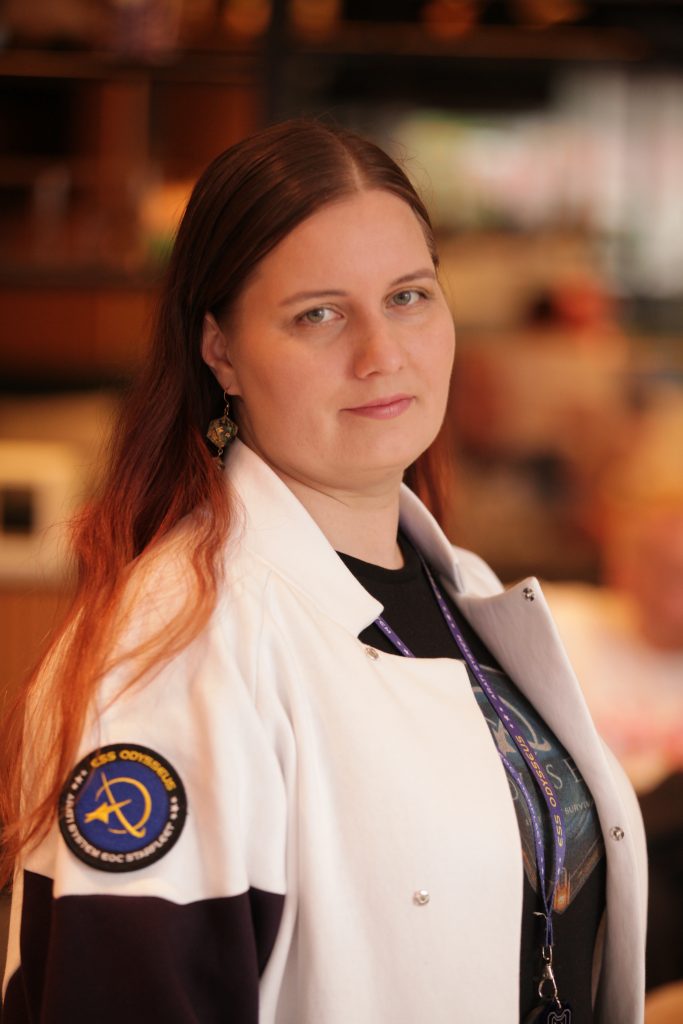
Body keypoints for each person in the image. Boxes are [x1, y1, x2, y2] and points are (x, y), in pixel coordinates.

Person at [0, 119, 646, 1024]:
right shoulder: (177, 650)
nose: (381, 353)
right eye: (319, 314)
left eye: (409, 297)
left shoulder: (447, 582)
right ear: (219, 350)